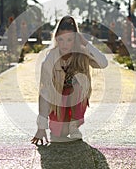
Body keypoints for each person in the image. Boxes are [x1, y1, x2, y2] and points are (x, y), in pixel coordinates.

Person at [31, 15, 108, 144]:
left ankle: (74, 124)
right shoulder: (50, 59)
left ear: (75, 40)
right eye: (61, 39)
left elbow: (103, 63)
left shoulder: (82, 53)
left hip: (77, 98)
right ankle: (61, 124)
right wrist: (41, 127)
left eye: (69, 39)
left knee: (79, 83)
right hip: (58, 102)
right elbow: (44, 92)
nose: (65, 44)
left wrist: (85, 43)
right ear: (56, 39)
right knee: (58, 133)